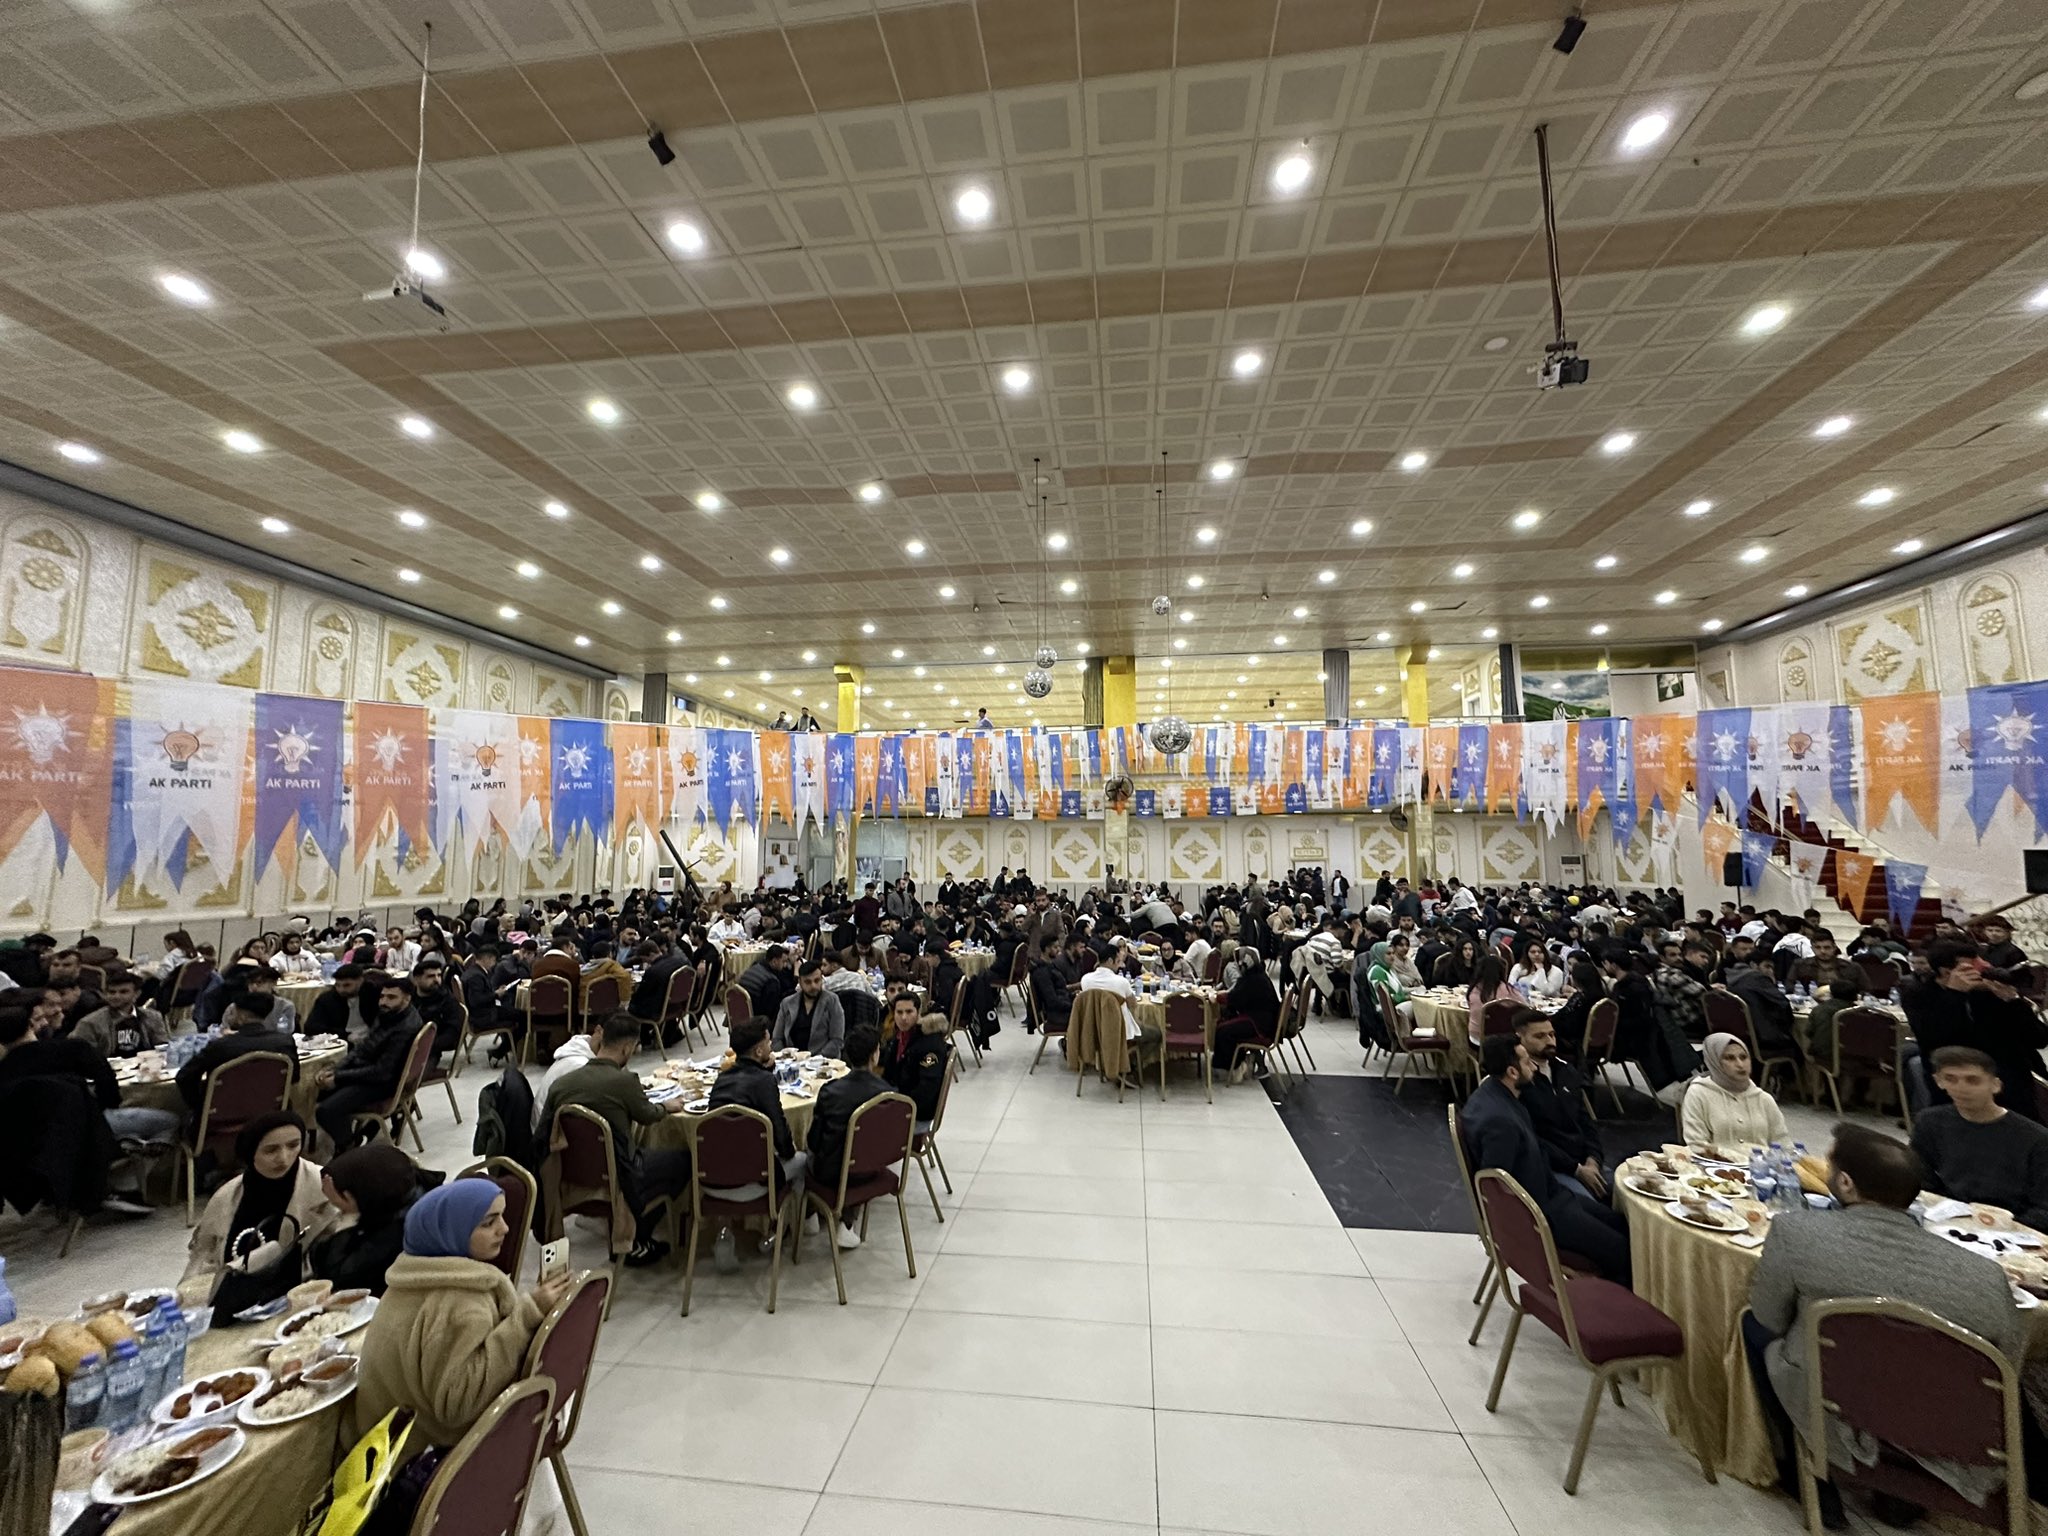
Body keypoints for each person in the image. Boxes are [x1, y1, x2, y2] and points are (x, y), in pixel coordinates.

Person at [1745, 1125, 2021, 1528]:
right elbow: (2006, 1366)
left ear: (1844, 1183)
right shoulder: (1986, 1277)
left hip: (1840, 1401)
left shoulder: (1797, 1233)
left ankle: (1804, 1471)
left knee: (1754, 1327)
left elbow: (1769, 1317)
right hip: (1950, 1426)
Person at [353, 1181, 568, 1450]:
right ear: (450, 1232)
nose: (505, 1228)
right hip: (423, 1455)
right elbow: (458, 1404)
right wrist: (526, 1315)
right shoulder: (460, 1303)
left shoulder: (412, 1279)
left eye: (501, 1217)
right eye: (488, 1223)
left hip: (384, 1436)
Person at [1462, 1035, 1631, 1283]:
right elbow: (1496, 1186)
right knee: (1624, 1251)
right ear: (1512, 1071)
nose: (1533, 1067)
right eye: (1527, 1062)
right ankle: (1614, 1310)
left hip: (1553, 1195)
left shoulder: (1494, 1096)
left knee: (1627, 1226)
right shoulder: (1501, 1122)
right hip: (1543, 1214)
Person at [542, 1011, 694, 1266]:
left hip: (568, 1174)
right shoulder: (624, 1080)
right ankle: (637, 1234)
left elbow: (546, 1133)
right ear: (626, 1047)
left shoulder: (562, 1084)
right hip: (620, 1172)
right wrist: (666, 1107)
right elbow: (646, 1115)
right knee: (684, 1161)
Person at [183, 1112, 334, 1300]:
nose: (284, 1158)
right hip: (233, 1299)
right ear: (251, 1152)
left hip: (302, 1295)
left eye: (293, 1145)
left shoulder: (323, 1188)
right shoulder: (225, 1198)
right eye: (271, 1150)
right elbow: (202, 1263)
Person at [1905, 941, 2048, 1122]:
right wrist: (1955, 994)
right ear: (1946, 972)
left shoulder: (1988, 993)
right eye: (1971, 966)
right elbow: (1935, 1038)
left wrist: (2013, 1001)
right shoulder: (1920, 994)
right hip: (1955, 1083)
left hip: (2007, 1083)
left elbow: (2039, 1038)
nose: (1981, 969)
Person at [706, 1018, 808, 1270]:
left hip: (711, 1180)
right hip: (757, 1182)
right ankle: (780, 1229)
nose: (771, 1046)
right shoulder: (764, 1082)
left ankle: (724, 1233)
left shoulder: (721, 1080)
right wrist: (789, 1152)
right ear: (759, 1051)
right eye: (768, 1042)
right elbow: (781, 1136)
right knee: (804, 1160)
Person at [1911, 1046, 2048, 1231]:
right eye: (1950, 1079)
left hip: (2011, 1225)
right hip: (1950, 1217)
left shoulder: (2036, 1138)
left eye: (1972, 1080)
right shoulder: (1930, 1121)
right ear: (1938, 1081)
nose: (1961, 1088)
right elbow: (1920, 1177)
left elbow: (2043, 1206)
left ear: (1995, 1085)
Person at [806, 1018, 890, 1255]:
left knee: (803, 1157)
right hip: (874, 1170)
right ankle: (846, 1221)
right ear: (875, 1055)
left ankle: (808, 1215)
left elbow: (814, 1141)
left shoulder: (830, 1091)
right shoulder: (888, 1093)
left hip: (831, 1174)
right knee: (854, 1155)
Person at [314, 978, 424, 1154]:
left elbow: (382, 1072)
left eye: (391, 997)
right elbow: (363, 1048)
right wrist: (338, 1070)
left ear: (407, 999)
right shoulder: (389, 1015)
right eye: (382, 997)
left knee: (326, 1111)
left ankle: (351, 1146)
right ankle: (353, 1132)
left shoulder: (405, 1027)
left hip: (384, 1083)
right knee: (315, 1089)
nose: (384, 1002)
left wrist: (339, 1077)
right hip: (369, 1071)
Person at [306, 1143, 424, 1296]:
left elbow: (336, 1278)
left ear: (355, 1197)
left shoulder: (394, 1231)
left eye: (335, 1201)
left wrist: (348, 1216)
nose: (333, 1204)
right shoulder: (404, 1191)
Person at [1514, 1011, 1608, 1204]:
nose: (1550, 1041)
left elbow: (1585, 1121)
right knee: (1589, 1205)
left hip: (1584, 1160)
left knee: (1629, 1199)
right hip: (1551, 1167)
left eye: (1552, 1034)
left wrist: (1593, 1159)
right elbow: (1531, 1138)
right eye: (1539, 1036)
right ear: (1520, 1038)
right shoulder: (1518, 1081)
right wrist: (1576, 1169)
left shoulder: (1566, 1071)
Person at [176, 992, 300, 1112]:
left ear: (242, 1017)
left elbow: (184, 1077)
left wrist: (200, 1106)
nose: (230, 1016)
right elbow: (293, 1077)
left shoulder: (221, 1046)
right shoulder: (285, 1042)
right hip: (271, 1114)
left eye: (233, 1012)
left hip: (222, 1115)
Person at [1680, 1033, 1790, 1149]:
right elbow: (1697, 1145)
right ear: (1714, 1062)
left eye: (1743, 1057)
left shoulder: (1763, 1098)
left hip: (1761, 1165)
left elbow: (1783, 1144)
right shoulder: (1699, 1093)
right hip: (1715, 1165)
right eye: (1730, 1058)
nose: (1740, 1065)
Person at [69, 972, 169, 1058]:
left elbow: (162, 1047)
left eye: (123, 992)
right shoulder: (90, 1023)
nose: (116, 996)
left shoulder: (152, 1016)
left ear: (137, 994)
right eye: (112, 992)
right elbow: (79, 1055)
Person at [773, 958, 845, 1059]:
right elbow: (777, 1039)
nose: (813, 986)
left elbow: (837, 1040)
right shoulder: (787, 1003)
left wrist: (814, 1060)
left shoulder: (832, 1001)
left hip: (823, 1061)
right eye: (807, 982)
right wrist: (785, 1057)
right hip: (792, 1061)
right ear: (800, 982)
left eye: (817, 981)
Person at [1465, 954, 1517, 1047]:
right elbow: (1525, 1006)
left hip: (1478, 1038)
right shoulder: (1508, 990)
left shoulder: (1473, 990)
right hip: (1506, 1038)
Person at [304, 964, 366, 1039]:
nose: (341, 990)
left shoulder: (372, 995)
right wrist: (345, 1035)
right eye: (337, 985)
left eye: (347, 985)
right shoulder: (327, 999)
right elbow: (311, 1028)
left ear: (360, 981)